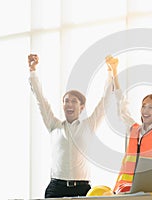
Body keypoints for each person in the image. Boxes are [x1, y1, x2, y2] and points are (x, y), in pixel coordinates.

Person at [28, 54, 113, 198]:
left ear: (81, 107)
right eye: (66, 101)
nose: (69, 104)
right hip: (56, 187)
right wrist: (32, 70)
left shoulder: (89, 125)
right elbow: (40, 99)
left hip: (82, 188)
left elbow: (106, 102)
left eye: (74, 101)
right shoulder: (54, 125)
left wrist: (111, 72)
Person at [105, 52, 152, 194]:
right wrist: (114, 71)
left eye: (151, 107)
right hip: (126, 189)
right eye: (143, 106)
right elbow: (122, 105)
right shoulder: (133, 129)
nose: (145, 110)